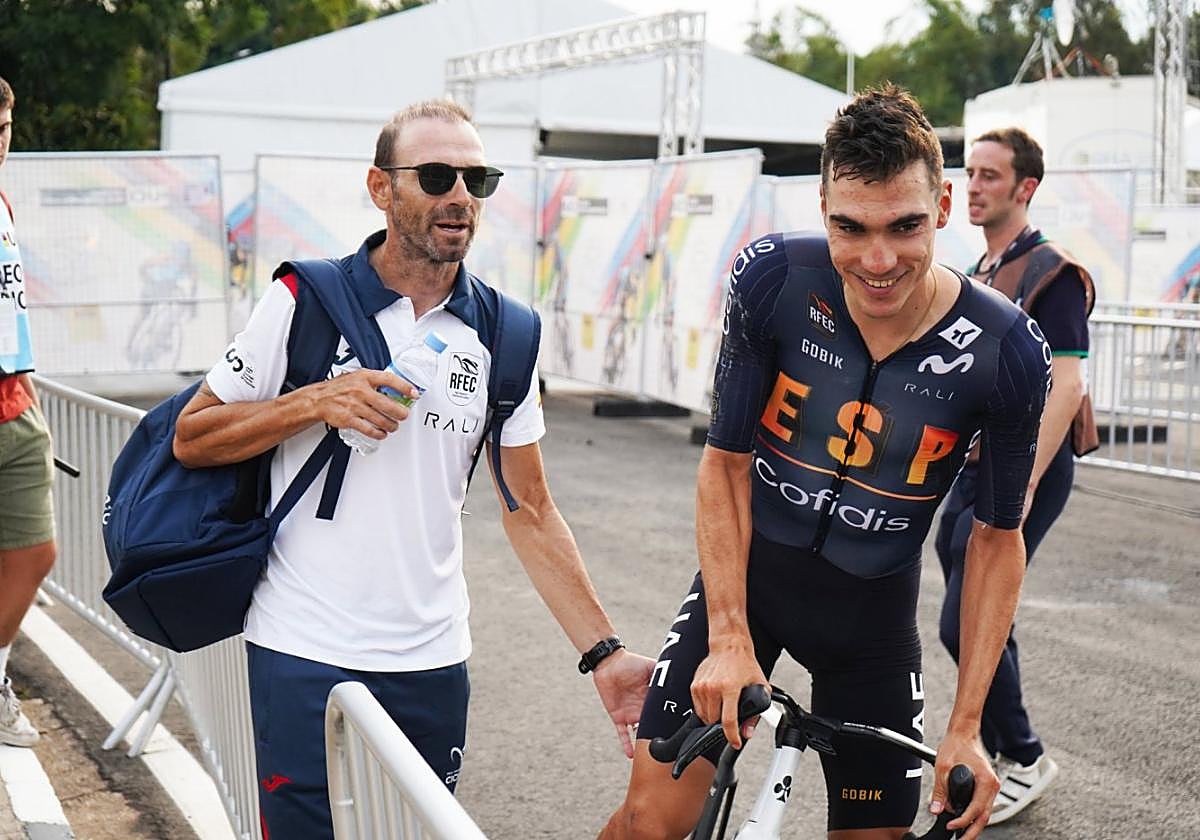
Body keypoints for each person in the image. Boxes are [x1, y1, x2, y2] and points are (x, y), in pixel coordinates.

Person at [173, 99, 654, 839]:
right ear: (380, 188)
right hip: (301, 647)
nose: (460, 196)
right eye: (435, 175)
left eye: (477, 178)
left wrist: (605, 653)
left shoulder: (506, 331)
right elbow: (194, 435)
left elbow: (529, 507)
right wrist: (315, 402)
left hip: (431, 660)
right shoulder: (303, 300)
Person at [600, 84, 1052, 840]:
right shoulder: (776, 280)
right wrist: (730, 637)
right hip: (749, 583)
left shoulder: (1006, 353)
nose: (878, 260)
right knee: (650, 822)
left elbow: (996, 541)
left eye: (905, 226)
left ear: (942, 206)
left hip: (872, 623)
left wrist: (968, 725)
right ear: (821, 208)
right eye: (852, 227)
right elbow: (726, 465)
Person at [937, 126, 1094, 825]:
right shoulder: (986, 262)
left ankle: (1024, 756)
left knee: (963, 620)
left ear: (1025, 188)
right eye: (970, 174)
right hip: (977, 463)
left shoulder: (1052, 271)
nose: (972, 186)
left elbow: (1067, 385)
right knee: (974, 613)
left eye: (989, 176)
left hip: (1026, 467)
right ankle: (999, 753)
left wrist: (1024, 479)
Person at [0, 74, 57, 749]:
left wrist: (29, 385)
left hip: (15, 409)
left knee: (35, 553)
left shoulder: (4, 205)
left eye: (5, 131)